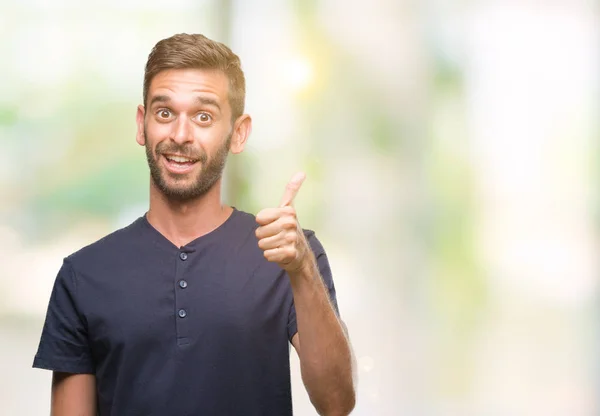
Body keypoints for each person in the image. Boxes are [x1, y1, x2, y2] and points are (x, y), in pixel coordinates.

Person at [32, 33, 355, 416]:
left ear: (238, 133)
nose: (180, 135)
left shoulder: (289, 255)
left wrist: (301, 269)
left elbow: (337, 403)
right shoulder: (83, 276)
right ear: (142, 124)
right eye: (165, 112)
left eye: (204, 117)